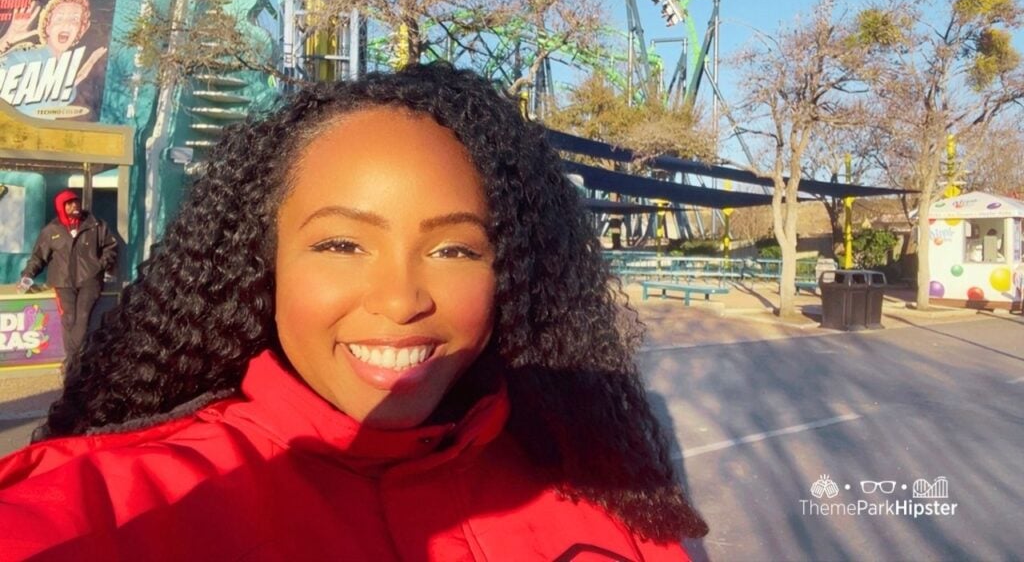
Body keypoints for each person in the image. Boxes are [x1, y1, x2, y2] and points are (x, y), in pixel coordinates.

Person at [0, 64, 707, 559]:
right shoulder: (115, 507)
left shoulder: (597, 493)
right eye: (342, 243)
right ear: (265, 262)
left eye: (455, 250)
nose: (401, 301)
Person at [17, 189, 117, 362]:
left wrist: (102, 265)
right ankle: (75, 361)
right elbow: (38, 257)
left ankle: (73, 361)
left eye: (76, 202)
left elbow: (111, 247)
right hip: (63, 281)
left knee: (83, 318)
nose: (74, 206)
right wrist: (27, 276)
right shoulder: (51, 231)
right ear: (61, 207)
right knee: (69, 318)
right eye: (69, 204)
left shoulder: (96, 225)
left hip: (90, 280)